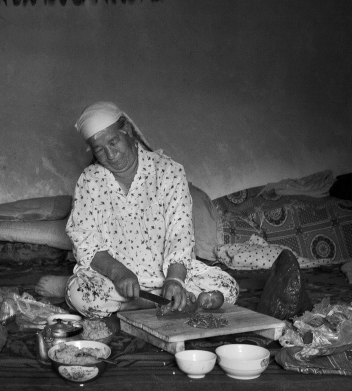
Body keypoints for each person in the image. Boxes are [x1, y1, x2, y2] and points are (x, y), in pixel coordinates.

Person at [37, 101, 239, 318]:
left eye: (114, 142)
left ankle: (140, 304)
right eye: (100, 150)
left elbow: (180, 233)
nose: (111, 155)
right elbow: (85, 240)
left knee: (227, 287)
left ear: (128, 131)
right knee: (81, 294)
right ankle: (166, 303)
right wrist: (119, 273)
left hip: (166, 273)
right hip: (117, 282)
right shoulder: (90, 180)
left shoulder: (168, 171)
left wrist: (175, 279)